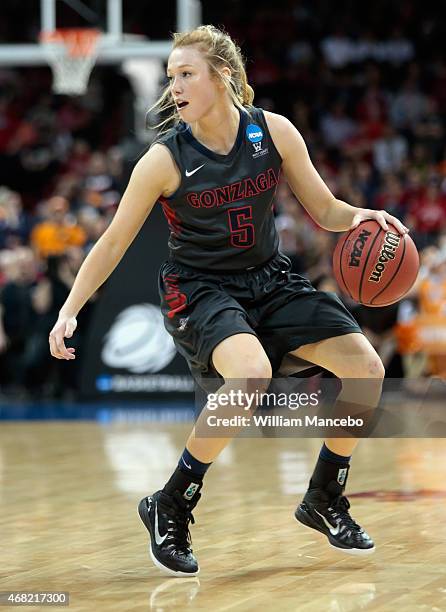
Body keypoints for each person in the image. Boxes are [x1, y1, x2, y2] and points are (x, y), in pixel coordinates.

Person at [49, 25, 408, 577]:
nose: (175, 88)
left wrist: (362, 217)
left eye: (186, 74)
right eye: (170, 78)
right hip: (200, 288)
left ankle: (323, 497)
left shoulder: (274, 132)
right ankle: (171, 502)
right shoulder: (164, 159)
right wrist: (70, 308)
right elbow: (114, 239)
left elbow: (327, 210)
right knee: (249, 375)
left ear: (223, 76)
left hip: (269, 278)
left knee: (367, 369)